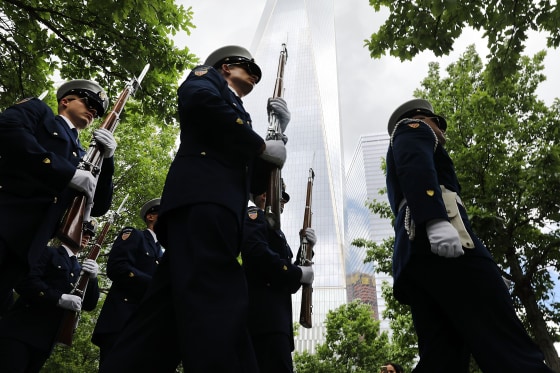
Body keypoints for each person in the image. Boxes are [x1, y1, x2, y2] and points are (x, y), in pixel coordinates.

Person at [100, 45, 288, 372]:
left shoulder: (238, 114)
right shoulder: (207, 79)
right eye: (249, 69)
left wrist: (279, 135)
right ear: (226, 66)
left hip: (218, 210)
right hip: (204, 202)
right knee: (220, 297)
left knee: (159, 322)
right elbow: (200, 103)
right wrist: (258, 143)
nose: (255, 77)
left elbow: (255, 181)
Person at [385, 98, 554, 372]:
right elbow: (416, 165)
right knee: (506, 343)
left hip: (419, 253)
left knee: (443, 357)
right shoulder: (412, 127)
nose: (443, 130)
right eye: (439, 122)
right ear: (424, 118)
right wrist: (435, 220)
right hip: (441, 241)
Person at [0, 80, 116, 306]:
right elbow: (8, 131)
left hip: (30, 247)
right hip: (6, 221)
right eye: (88, 102)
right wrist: (67, 173)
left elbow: (100, 204)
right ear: (66, 101)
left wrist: (107, 159)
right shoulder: (40, 113)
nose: (93, 110)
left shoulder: (86, 156)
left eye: (97, 110)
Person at [0, 220, 100, 373]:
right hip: (20, 332)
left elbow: (89, 304)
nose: (87, 237)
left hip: (46, 341)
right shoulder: (47, 252)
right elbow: (25, 282)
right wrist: (59, 298)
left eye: (90, 235)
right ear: (70, 231)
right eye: (83, 232)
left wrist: (93, 278)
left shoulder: (80, 269)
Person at [241, 183, 316, 373]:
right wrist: (299, 273)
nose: (283, 203)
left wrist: (306, 248)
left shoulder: (276, 232)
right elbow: (258, 253)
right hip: (265, 321)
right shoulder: (255, 215)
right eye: (280, 197)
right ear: (265, 195)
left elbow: (288, 283)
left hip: (274, 322)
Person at [92, 198, 164, 363]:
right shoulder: (134, 234)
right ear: (151, 217)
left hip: (144, 327)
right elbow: (118, 268)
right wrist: (154, 285)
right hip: (120, 320)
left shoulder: (162, 253)